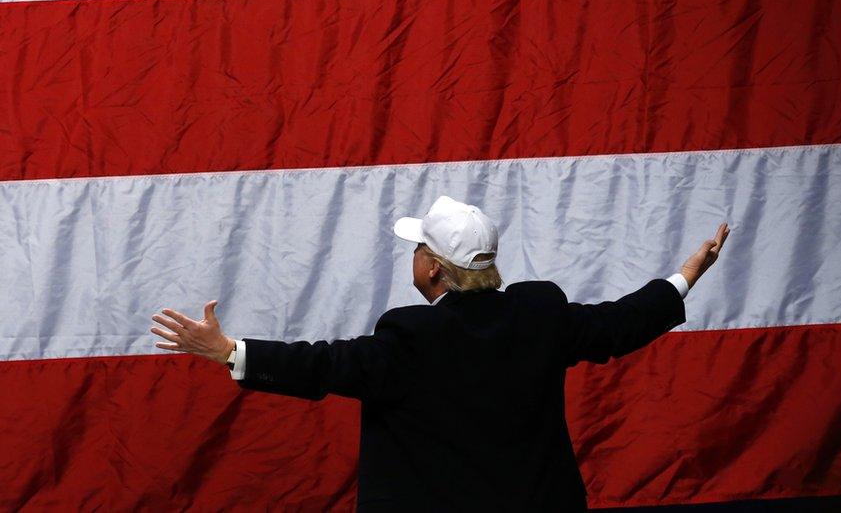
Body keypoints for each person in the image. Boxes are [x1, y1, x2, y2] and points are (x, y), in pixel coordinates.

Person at [150, 195, 730, 512]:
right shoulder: (540, 314)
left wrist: (228, 350)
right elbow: (618, 325)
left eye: (419, 247)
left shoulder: (410, 336)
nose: (416, 257)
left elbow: (324, 366)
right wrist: (684, 277)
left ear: (431, 267)